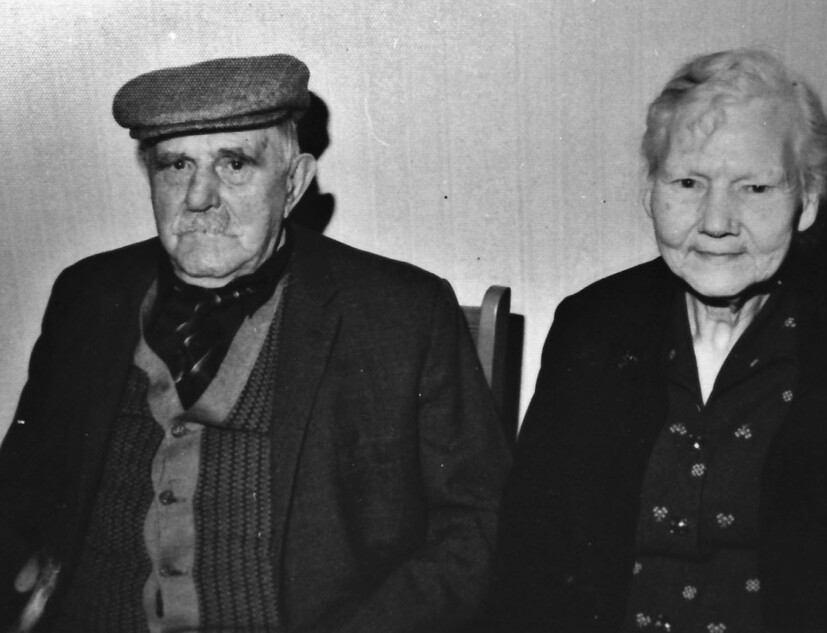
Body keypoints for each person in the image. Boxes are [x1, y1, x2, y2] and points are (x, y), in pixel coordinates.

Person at [0, 54, 509, 632]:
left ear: (293, 183)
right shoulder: (88, 294)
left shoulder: (400, 311)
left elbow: (478, 525)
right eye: (176, 166)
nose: (199, 197)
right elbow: (20, 492)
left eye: (235, 164)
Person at [489, 49, 827, 632]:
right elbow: (527, 567)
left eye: (755, 188)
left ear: (808, 200)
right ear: (650, 191)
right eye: (688, 182)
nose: (716, 222)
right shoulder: (592, 325)